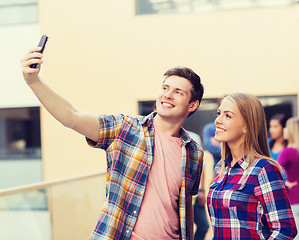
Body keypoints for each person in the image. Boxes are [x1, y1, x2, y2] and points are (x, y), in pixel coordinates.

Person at [21, 48, 204, 240]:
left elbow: (185, 208)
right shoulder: (125, 128)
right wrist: (34, 82)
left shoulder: (193, 152)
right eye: (165, 88)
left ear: (192, 105)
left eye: (178, 92)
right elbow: (72, 117)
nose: (167, 95)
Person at [207, 92, 297, 239]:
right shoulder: (221, 169)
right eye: (219, 113)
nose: (218, 120)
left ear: (247, 126)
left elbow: (285, 231)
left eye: (227, 116)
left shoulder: (263, 169)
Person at [277, 117, 299, 239]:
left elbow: (273, 172)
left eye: (286, 127)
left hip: (294, 200)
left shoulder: (288, 152)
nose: (284, 130)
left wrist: (286, 185)